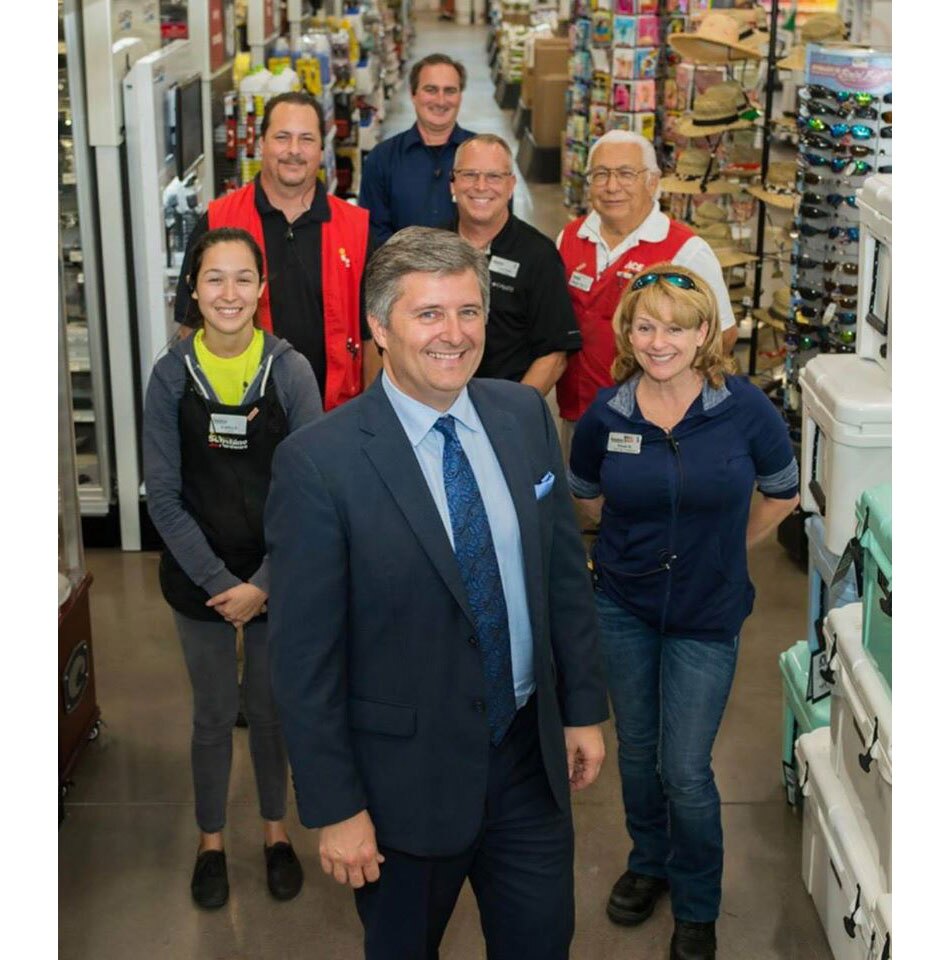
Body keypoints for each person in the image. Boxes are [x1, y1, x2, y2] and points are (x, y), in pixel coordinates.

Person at [266, 227, 609, 959]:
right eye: (428, 314)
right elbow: (304, 660)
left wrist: (580, 709)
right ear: (379, 327)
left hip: (526, 760)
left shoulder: (522, 417)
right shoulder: (319, 465)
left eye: (468, 311)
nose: (453, 335)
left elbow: (559, 580)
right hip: (400, 788)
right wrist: (337, 806)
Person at [568, 265, 799, 960]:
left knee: (686, 767)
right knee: (637, 754)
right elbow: (587, 498)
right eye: (645, 325)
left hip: (707, 612)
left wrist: (728, 545)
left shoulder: (744, 408)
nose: (659, 340)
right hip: (623, 604)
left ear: (705, 333)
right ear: (626, 331)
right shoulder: (607, 415)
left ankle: (697, 903)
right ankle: (649, 863)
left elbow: (783, 492)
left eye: (676, 326)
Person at [144, 228, 322, 910]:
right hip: (200, 577)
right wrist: (224, 586)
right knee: (214, 713)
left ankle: (276, 834)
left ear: (262, 289)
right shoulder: (170, 375)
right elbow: (161, 493)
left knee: (272, 710)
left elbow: (312, 488)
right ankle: (211, 842)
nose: (228, 293)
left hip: (280, 569)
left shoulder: (289, 371)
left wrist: (267, 584)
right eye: (214, 279)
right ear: (194, 288)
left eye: (242, 278)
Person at [174, 91, 378, 410]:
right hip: (241, 418)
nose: (294, 151)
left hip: (334, 419)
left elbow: (373, 339)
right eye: (282, 137)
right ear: (261, 144)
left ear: (321, 146)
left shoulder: (357, 228)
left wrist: (368, 418)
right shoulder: (218, 221)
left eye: (306, 139)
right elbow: (189, 327)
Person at [557, 131, 739, 448]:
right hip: (579, 414)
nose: (612, 186)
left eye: (626, 174)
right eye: (601, 174)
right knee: (581, 493)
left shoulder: (686, 250)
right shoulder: (570, 238)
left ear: (652, 182)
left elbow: (723, 335)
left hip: (653, 424)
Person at [450, 133, 580, 395]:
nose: (481, 186)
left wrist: (512, 415)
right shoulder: (431, 248)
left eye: (494, 176)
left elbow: (554, 355)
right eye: (469, 175)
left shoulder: (539, 256)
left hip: (504, 409)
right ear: (452, 184)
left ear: (511, 185)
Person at [359, 54, 475, 247]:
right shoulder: (382, 159)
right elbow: (374, 234)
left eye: (450, 91)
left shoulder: (484, 156)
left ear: (460, 97)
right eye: (431, 90)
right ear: (413, 95)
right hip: (401, 274)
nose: (441, 100)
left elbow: (498, 227)